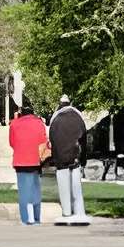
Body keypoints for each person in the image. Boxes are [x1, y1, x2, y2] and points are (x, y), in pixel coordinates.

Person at [47, 94, 89, 225]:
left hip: (61, 160)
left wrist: (55, 158)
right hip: (75, 157)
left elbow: (52, 140)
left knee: (64, 189)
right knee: (76, 188)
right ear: (70, 103)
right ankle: (79, 213)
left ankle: (66, 213)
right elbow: (84, 140)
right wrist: (83, 159)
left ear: (60, 104)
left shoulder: (55, 118)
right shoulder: (78, 116)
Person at [7, 102, 48, 226]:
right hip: (35, 161)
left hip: (20, 161)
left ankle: (25, 219)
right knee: (35, 190)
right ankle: (36, 218)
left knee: (23, 191)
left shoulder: (14, 124)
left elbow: (12, 143)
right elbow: (44, 141)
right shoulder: (39, 123)